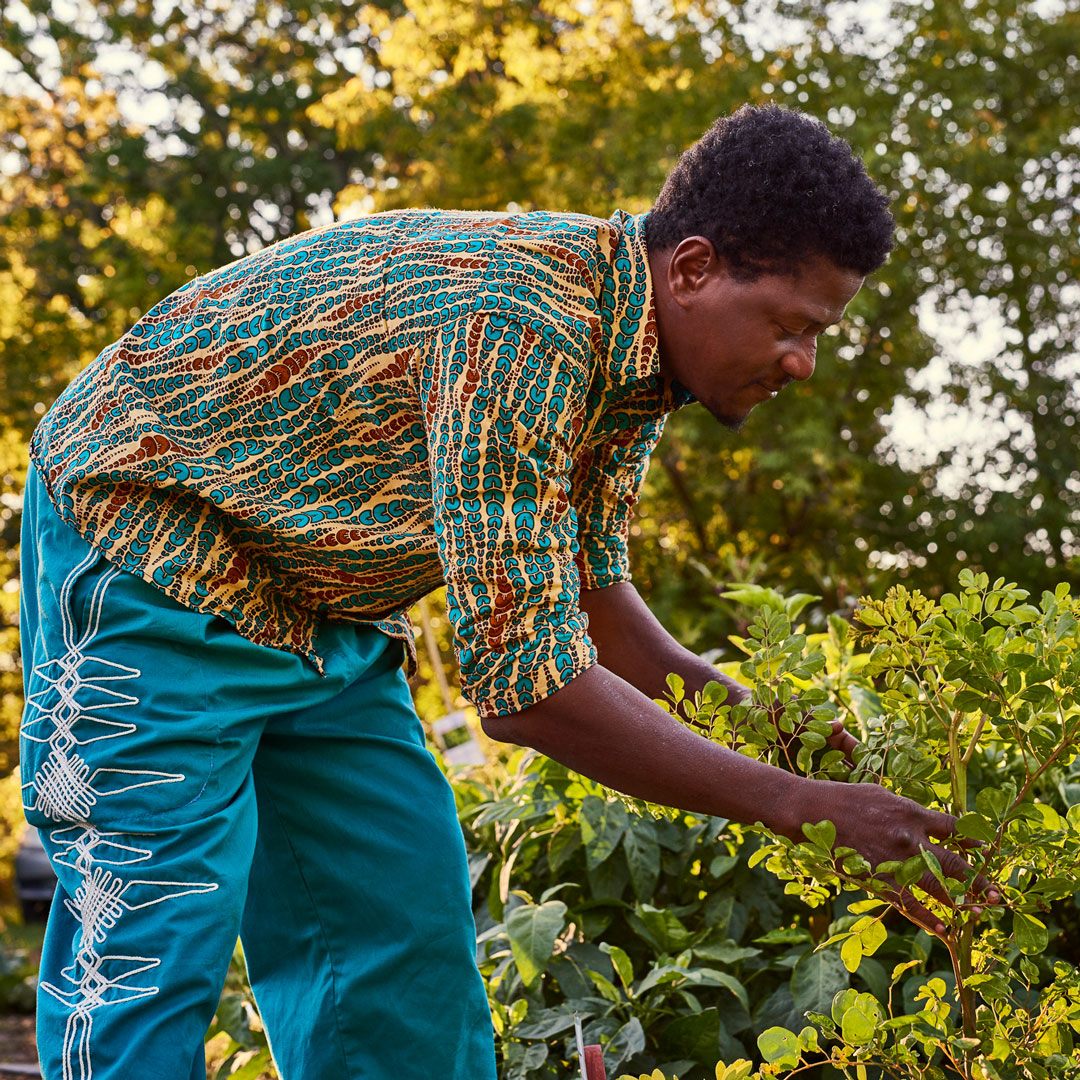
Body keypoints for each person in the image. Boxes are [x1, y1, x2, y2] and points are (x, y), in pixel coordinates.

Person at [19, 103, 991, 1080]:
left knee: (399, 935)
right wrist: (802, 805)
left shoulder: (637, 357)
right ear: (694, 269)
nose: (803, 364)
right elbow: (527, 694)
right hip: (151, 550)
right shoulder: (522, 322)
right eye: (791, 325)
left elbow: (588, 592)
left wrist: (764, 727)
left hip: (323, 612)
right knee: (147, 944)